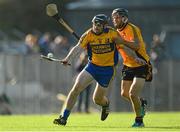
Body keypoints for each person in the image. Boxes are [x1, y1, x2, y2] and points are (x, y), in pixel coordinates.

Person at [53, 14, 130, 126]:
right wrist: (67, 58)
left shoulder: (112, 33)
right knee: (76, 88)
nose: (96, 26)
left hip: (107, 70)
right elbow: (77, 48)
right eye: (95, 24)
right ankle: (63, 117)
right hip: (92, 67)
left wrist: (135, 57)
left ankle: (105, 104)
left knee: (97, 99)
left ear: (104, 26)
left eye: (99, 24)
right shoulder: (88, 35)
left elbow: (123, 45)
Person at [111, 8, 152, 127]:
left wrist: (121, 41)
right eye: (113, 17)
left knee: (133, 93)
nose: (114, 19)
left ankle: (139, 121)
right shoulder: (115, 32)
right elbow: (122, 48)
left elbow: (136, 45)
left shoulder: (132, 28)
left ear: (124, 18)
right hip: (128, 65)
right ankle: (141, 103)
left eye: (117, 17)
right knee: (124, 94)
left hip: (141, 64)